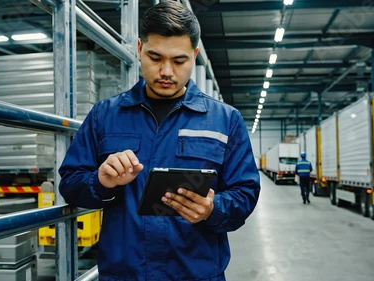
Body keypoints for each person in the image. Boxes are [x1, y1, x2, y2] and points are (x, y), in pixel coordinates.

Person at [58, 2, 260, 280]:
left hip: (195, 274)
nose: (166, 71)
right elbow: (70, 183)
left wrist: (213, 209)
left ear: (194, 55)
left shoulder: (225, 121)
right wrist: (101, 181)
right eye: (155, 58)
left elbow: (245, 193)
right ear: (139, 49)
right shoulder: (105, 116)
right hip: (124, 275)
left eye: (179, 61)